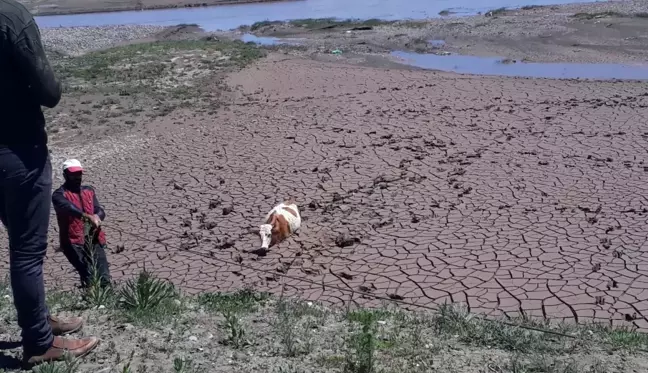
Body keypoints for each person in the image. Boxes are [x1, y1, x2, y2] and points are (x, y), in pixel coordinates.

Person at [0, 0, 99, 366]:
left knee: (21, 239)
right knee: (27, 251)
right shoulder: (11, 16)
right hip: (19, 152)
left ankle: (39, 320)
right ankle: (39, 342)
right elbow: (50, 92)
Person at [53, 159, 111, 289]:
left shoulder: (88, 190)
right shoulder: (59, 195)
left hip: (94, 238)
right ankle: (93, 303)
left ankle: (108, 301)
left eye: (79, 174)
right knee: (88, 274)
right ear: (65, 175)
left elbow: (99, 209)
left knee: (104, 274)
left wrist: (97, 216)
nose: (77, 177)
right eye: (73, 174)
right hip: (73, 242)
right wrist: (86, 216)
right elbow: (67, 207)